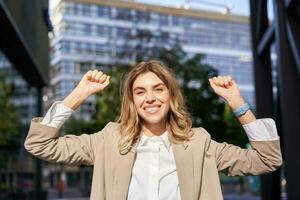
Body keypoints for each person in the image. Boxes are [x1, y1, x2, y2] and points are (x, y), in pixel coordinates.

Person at [24, 60, 282, 200]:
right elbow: (39, 144)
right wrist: (79, 94)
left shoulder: (199, 142)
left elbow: (267, 160)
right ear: (132, 102)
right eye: (140, 92)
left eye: (158, 89)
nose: (150, 98)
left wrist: (237, 102)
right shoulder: (109, 140)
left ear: (171, 95)